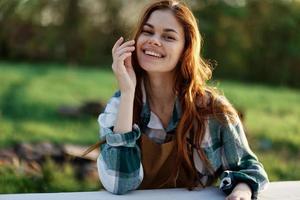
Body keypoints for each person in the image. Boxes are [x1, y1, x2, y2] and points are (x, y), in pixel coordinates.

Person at [91, 0, 269, 199]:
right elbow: (119, 184)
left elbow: (247, 167)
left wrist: (241, 193)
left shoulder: (212, 110)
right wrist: (127, 93)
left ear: (186, 48)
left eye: (168, 36)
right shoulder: (118, 106)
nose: (154, 40)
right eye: (148, 32)